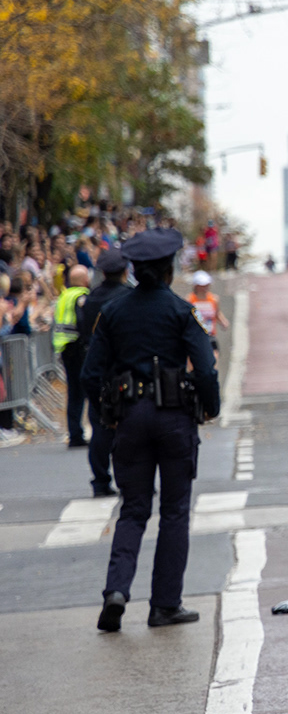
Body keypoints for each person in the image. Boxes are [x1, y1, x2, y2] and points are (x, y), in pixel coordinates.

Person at [80, 228, 220, 632]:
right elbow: (206, 368)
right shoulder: (181, 310)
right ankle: (164, 605)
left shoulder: (114, 312)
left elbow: (91, 373)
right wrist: (209, 408)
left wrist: (108, 413)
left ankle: (116, 591)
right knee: (174, 511)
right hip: (175, 418)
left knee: (133, 509)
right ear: (169, 269)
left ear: (135, 270)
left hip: (129, 419)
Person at [73, 250, 130, 495]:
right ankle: (130, 479)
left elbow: (82, 328)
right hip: (123, 368)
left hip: (96, 366)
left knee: (100, 426)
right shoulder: (128, 298)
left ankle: (100, 480)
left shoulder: (91, 298)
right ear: (124, 272)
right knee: (128, 427)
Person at [53, 264, 90, 448]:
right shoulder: (81, 295)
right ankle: (80, 433)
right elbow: (82, 320)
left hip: (64, 347)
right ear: (85, 280)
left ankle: (74, 432)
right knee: (86, 389)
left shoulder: (64, 296)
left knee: (74, 391)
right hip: (78, 347)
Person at [188, 271, 228, 368]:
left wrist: (223, 322)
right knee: (193, 365)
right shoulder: (191, 300)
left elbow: (217, 313)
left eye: (207, 284)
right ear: (196, 286)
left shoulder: (213, 299)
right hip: (195, 337)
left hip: (210, 336)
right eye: (202, 285)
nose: (205, 287)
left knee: (214, 361)